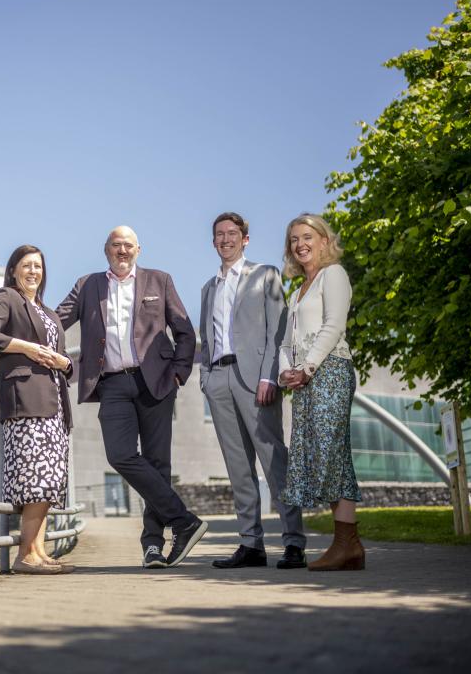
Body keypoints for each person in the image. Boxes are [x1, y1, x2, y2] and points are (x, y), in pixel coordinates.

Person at [57, 226, 206, 568]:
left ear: (139, 249)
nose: (121, 250)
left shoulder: (160, 280)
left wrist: (180, 372)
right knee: (120, 455)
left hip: (155, 381)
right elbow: (55, 319)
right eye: (115, 245)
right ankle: (184, 521)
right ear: (105, 249)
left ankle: (153, 545)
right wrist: (17, 341)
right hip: (111, 383)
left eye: (128, 245)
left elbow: (184, 331)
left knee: (157, 464)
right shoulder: (88, 285)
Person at [199, 212, 306, 569]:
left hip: (255, 380)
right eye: (219, 234)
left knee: (274, 459)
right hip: (219, 379)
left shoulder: (266, 275)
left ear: (245, 239)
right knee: (237, 467)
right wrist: (206, 379)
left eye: (232, 233)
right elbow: (207, 337)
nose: (225, 239)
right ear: (213, 241)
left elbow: (278, 332)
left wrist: (270, 377)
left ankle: (293, 542)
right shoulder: (208, 288)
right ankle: (251, 545)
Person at [0, 244, 75, 575]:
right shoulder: (6, 297)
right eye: (27, 265)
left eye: (38, 266)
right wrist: (25, 349)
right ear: (14, 269)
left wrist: (65, 362)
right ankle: (25, 555)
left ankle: (39, 551)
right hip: (27, 401)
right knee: (35, 478)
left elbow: (59, 357)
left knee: (49, 479)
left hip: (55, 403)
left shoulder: (47, 311)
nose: (33, 271)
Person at [278, 213, 364, 571]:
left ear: (325, 241)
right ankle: (348, 546)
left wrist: (308, 367)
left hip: (329, 371)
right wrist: (286, 369)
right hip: (304, 377)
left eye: (307, 237)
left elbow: (333, 326)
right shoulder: (297, 290)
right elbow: (286, 340)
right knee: (321, 455)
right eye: (294, 239)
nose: (300, 244)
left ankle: (347, 544)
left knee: (331, 453)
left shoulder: (334, 275)